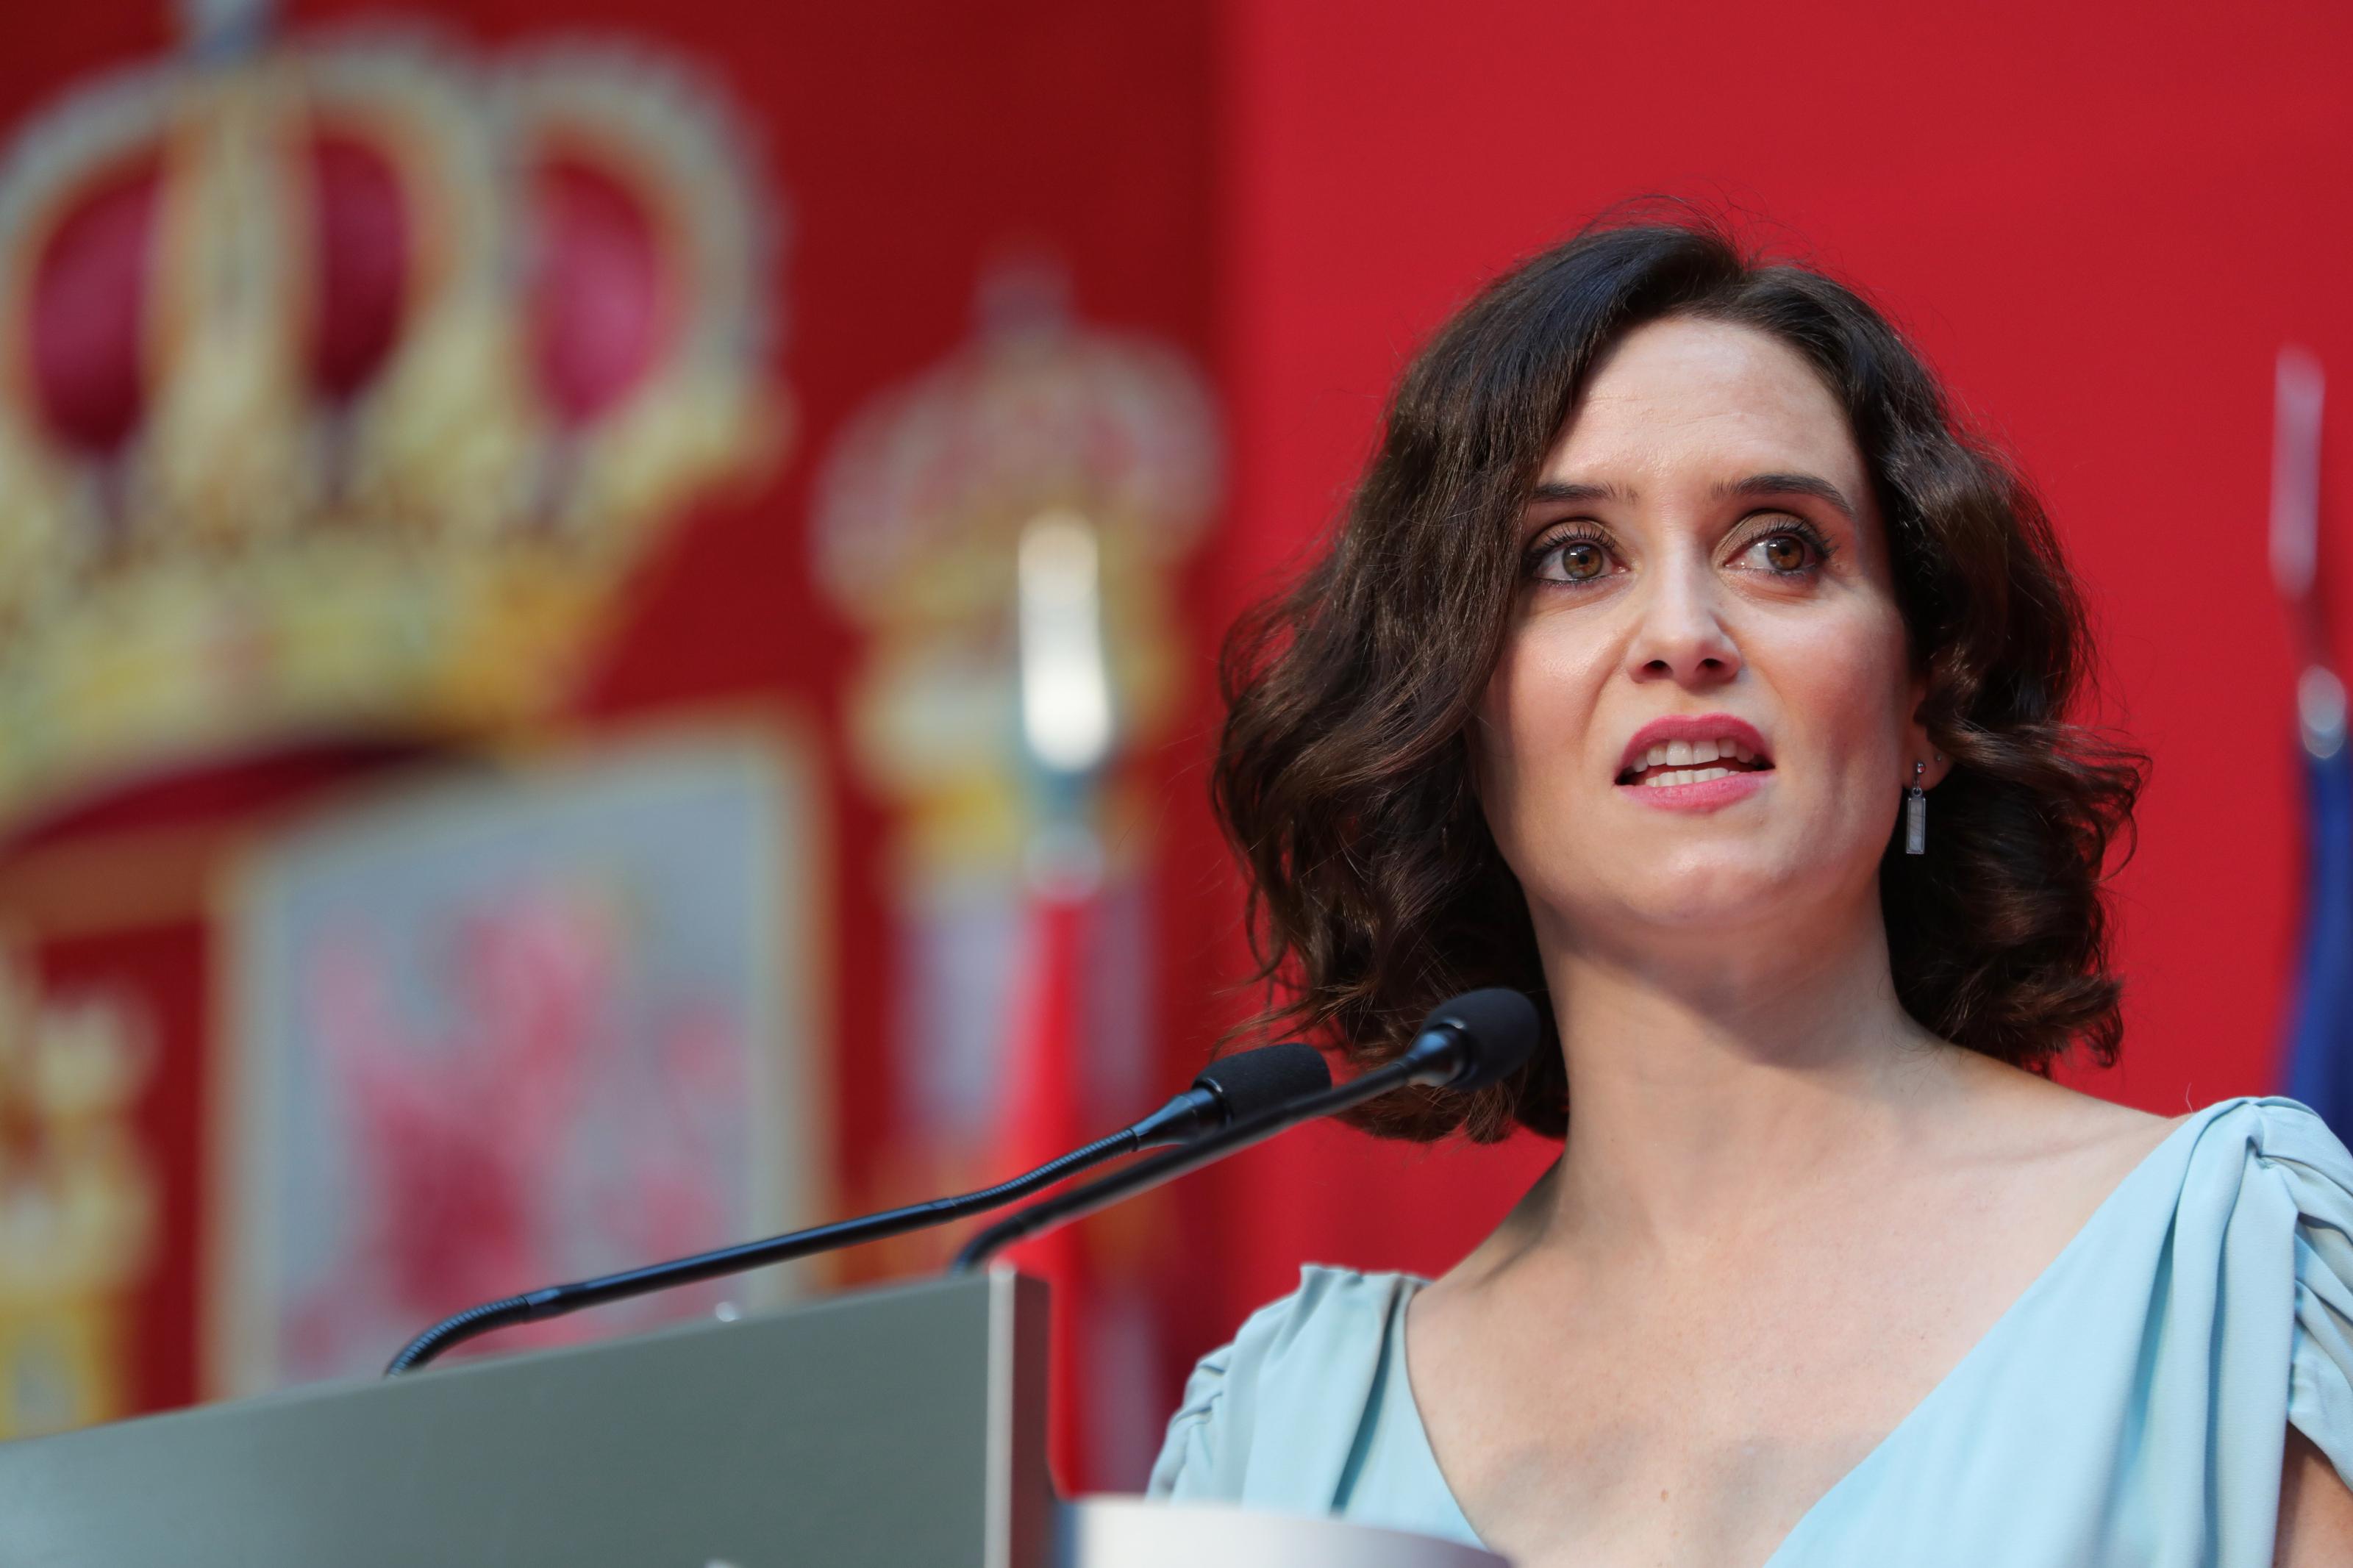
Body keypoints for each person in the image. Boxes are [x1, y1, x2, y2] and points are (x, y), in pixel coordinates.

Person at [1148, 216, 2353, 1567]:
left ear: (1925, 701)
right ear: (1456, 721)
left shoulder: (2225, 1275)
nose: (1683, 635)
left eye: (1779, 546)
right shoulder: (1280, 1448)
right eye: (1572, 558)